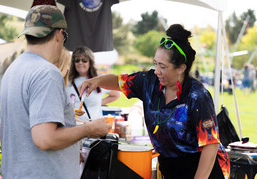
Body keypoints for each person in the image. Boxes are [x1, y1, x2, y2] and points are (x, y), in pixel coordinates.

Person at [79, 24, 230, 179]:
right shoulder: (149, 81)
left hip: (202, 170)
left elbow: (210, 145)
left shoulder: (197, 96)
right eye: (155, 63)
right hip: (170, 169)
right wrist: (96, 81)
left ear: (181, 68)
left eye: (162, 66)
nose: (156, 70)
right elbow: (120, 82)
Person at [0, 5, 111, 178]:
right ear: (59, 34)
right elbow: (46, 139)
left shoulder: (13, 69)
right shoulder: (47, 73)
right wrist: (90, 128)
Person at [67, 45, 120, 121]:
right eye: (77, 60)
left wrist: (99, 103)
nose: (80, 63)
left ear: (90, 62)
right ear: (73, 62)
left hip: (94, 127)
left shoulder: (99, 79)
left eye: (84, 60)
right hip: (73, 127)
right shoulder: (67, 80)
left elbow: (116, 94)